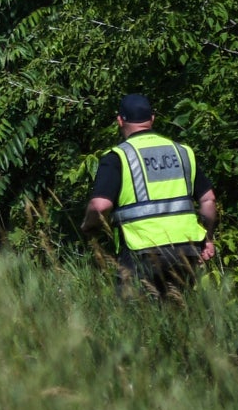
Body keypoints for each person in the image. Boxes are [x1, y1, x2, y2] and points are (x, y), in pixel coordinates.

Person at [80, 94, 218, 299]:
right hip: (186, 249)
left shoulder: (118, 156)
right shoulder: (183, 152)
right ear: (152, 119)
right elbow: (209, 200)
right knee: (179, 316)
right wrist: (207, 237)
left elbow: (100, 206)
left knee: (136, 320)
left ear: (120, 120)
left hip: (142, 250)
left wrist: (88, 227)